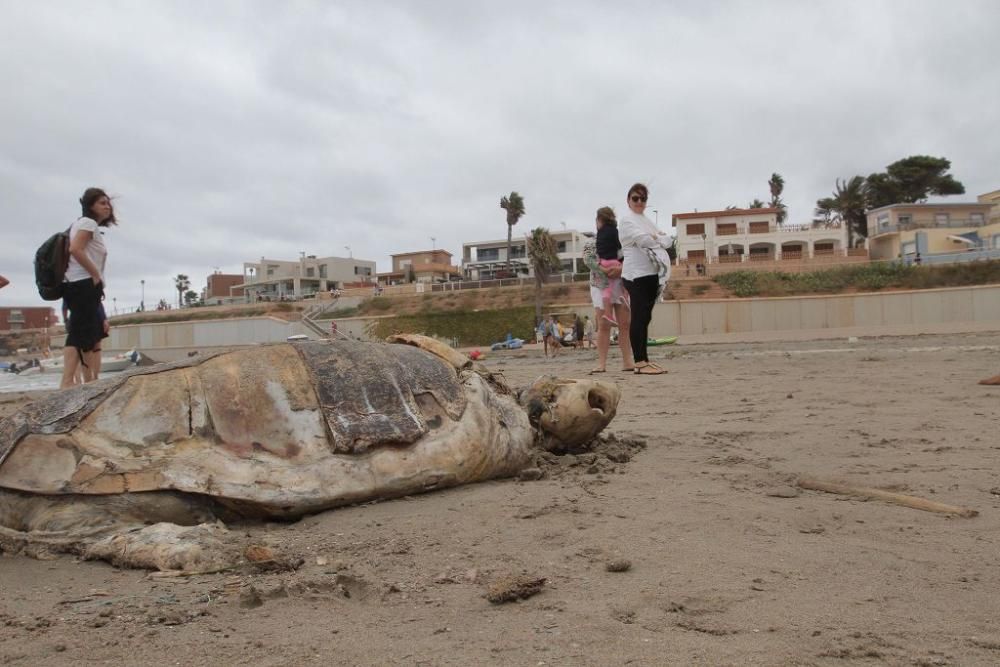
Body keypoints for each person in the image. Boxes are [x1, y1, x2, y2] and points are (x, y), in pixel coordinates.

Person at [61, 187, 116, 389]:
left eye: (108, 202)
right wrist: (94, 274)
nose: (107, 206)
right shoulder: (87, 223)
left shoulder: (84, 224)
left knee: (88, 334)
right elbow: (75, 249)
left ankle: (88, 382)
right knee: (78, 333)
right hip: (82, 284)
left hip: (81, 285)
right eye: (102, 202)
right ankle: (67, 383)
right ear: (90, 205)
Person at [618, 183, 671, 375]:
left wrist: (655, 236)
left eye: (643, 198)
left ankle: (645, 359)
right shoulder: (626, 220)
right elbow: (644, 240)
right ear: (628, 200)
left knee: (646, 317)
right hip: (635, 275)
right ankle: (639, 362)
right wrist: (656, 238)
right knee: (638, 317)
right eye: (635, 198)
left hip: (651, 274)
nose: (639, 201)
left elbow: (668, 240)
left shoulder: (646, 220)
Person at [583, 207, 635, 374]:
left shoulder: (621, 240)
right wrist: (604, 270)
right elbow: (588, 260)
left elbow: (628, 258)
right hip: (600, 285)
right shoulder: (591, 242)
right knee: (604, 324)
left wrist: (620, 270)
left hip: (620, 284)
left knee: (625, 324)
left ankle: (628, 362)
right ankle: (602, 364)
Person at [595, 212, 624, 326]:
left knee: (606, 291)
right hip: (614, 261)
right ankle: (625, 296)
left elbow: (595, 256)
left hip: (603, 262)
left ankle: (608, 313)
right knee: (625, 277)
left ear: (600, 220)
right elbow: (620, 251)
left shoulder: (599, 234)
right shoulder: (615, 232)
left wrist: (602, 268)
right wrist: (621, 265)